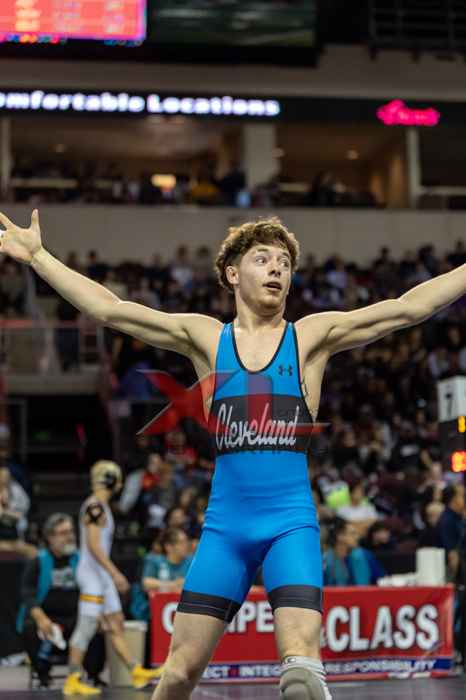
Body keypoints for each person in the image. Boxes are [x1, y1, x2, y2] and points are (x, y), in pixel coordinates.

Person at [1, 211, 466, 699]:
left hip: (290, 526)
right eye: (262, 259)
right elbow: (112, 309)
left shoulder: (310, 337)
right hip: (226, 532)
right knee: (178, 674)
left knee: (302, 673)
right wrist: (39, 258)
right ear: (232, 273)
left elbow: (408, 307)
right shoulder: (207, 338)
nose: (276, 268)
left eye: (284, 262)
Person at [62, 460, 162, 696]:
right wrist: (115, 573)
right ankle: (72, 678)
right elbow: (94, 546)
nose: (120, 483)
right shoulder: (95, 507)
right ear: (110, 480)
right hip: (92, 575)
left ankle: (135, 671)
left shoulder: (100, 506)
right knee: (86, 626)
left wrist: (109, 575)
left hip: (101, 575)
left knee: (116, 623)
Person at [17, 513, 105, 689]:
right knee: (30, 628)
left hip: (75, 618)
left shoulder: (81, 560)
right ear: (50, 537)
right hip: (48, 618)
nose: (70, 536)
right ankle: (43, 675)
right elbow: (28, 594)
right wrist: (41, 619)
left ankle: (93, 675)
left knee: (96, 626)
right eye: (63, 533)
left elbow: (95, 588)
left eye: (71, 531)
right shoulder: (38, 561)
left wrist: (98, 613)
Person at [131, 527, 192, 622]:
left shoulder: (191, 561)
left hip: (184, 610)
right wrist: (172, 585)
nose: (186, 545)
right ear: (169, 547)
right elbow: (146, 583)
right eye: (181, 542)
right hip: (158, 610)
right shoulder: (155, 561)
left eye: (187, 541)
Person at [323, 518, 385, 586]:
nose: (357, 537)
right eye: (353, 534)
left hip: (364, 592)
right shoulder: (326, 559)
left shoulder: (365, 555)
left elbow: (381, 579)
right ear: (340, 536)